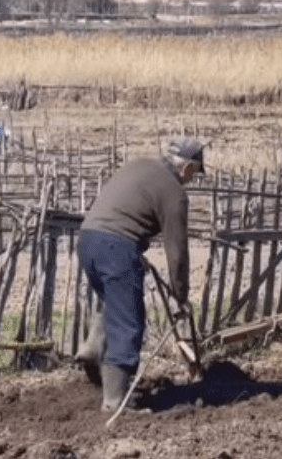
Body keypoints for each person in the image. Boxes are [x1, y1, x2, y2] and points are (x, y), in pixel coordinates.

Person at [76, 136, 205, 412]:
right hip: (117, 247)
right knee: (129, 322)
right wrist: (181, 296)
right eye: (194, 173)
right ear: (187, 167)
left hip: (88, 240)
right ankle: (114, 402)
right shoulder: (174, 192)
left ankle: (94, 344)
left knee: (116, 302)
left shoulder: (139, 165)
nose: (192, 180)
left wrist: (131, 251)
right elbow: (177, 252)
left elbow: (121, 213)